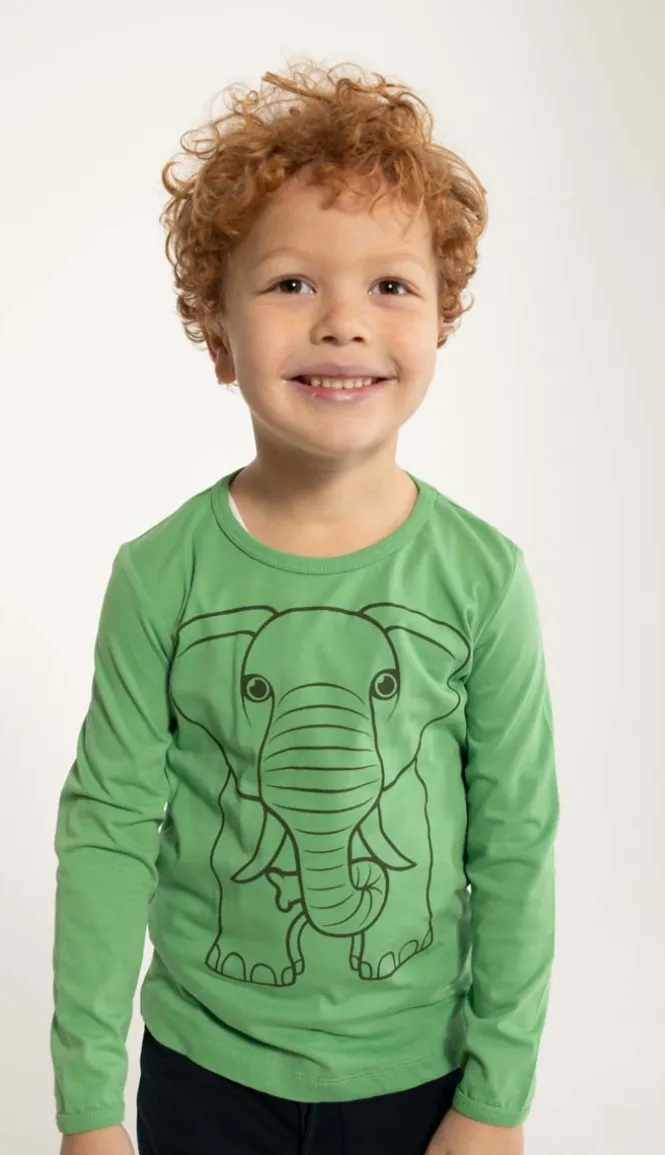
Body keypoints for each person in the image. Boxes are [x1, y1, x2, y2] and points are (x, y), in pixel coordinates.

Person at [51, 59, 560, 1155]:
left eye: (390, 286)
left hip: (419, 1076)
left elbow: (516, 842)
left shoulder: (481, 579)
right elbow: (108, 835)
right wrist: (89, 1108)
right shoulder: (161, 576)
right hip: (205, 1069)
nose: (342, 322)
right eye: (290, 283)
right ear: (217, 330)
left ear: (442, 320)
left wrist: (496, 1096)